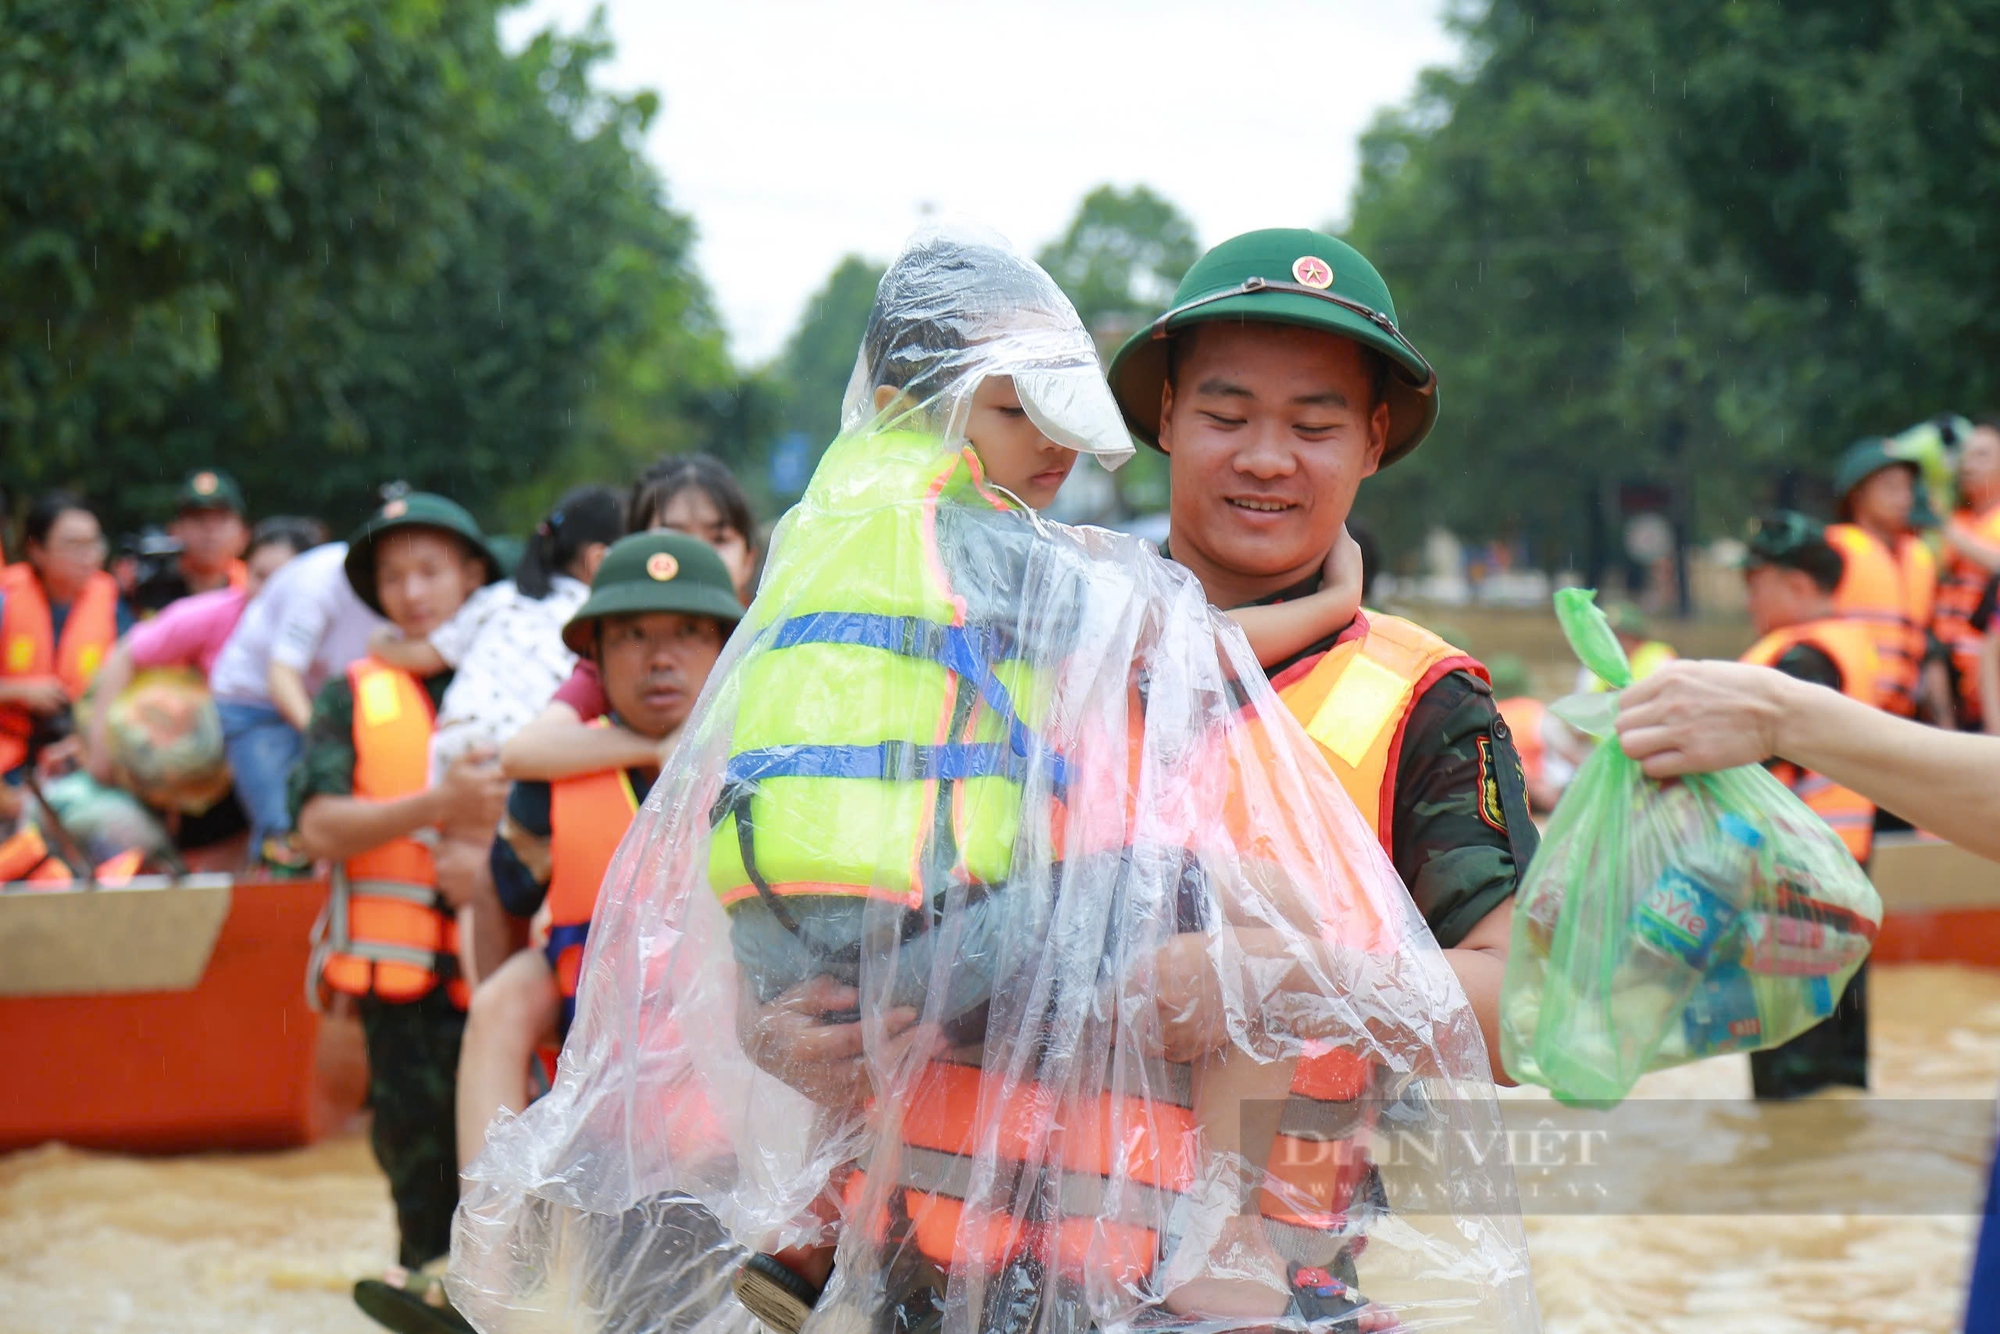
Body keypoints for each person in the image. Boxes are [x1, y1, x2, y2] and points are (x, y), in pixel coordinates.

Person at [739, 227, 1535, 1329]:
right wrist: (773, 1027)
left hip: (1239, 1302)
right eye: (1223, 415)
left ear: (1374, 437)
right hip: (925, 1288)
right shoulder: (1005, 627)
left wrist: (1278, 984)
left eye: (1313, 424)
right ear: (1160, 419)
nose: (1265, 456)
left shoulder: (1422, 707)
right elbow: (832, 876)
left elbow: (1524, 1014)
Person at [1611, 659, 2000, 1334]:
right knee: (1823, 1105)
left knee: (1800, 1102)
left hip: (1796, 924)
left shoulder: (1778, 684)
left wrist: (1779, 715)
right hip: (1836, 919)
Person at [289, 493, 508, 1284]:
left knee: (525, 1176)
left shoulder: (521, 670)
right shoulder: (351, 692)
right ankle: (426, 1285)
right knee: (420, 1178)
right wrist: (435, 809)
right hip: (405, 996)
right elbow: (318, 827)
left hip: (516, 970)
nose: (412, 592)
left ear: (472, 574)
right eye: (393, 576)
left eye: (430, 571)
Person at [367, 485, 624, 941]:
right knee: (502, 888)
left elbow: (423, 654)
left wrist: (378, 643)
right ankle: (499, 989)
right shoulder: (595, 620)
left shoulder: (499, 598)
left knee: (478, 888)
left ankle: (487, 992)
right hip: (522, 756)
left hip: (462, 749)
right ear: (600, 561)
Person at [1733, 510, 1882, 1098]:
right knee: (1834, 1038)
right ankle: (1829, 1165)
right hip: (1840, 867)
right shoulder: (1841, 649)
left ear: (1797, 585)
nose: (1747, 600)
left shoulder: (1803, 662)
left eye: (1755, 582)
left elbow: (1757, 759)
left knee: (1788, 1048)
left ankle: (1792, 1164)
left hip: (1795, 878)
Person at [499, 458, 760, 783]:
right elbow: (522, 752)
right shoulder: (618, 658)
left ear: (749, 559)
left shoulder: (773, 646)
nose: (695, 553)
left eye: (718, 539)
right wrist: (657, 747)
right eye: (672, 534)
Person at [83, 517, 324, 786]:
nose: (269, 591)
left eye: (283, 580)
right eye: (259, 576)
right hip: (212, 765)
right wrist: (100, 752)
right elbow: (126, 652)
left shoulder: (332, 626)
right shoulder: (213, 614)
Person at [209, 535, 388, 871]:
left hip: (328, 703)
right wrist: (330, 742)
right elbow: (282, 679)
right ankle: (276, 915)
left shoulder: (409, 587)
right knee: (284, 827)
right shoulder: (319, 583)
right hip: (256, 704)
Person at [0, 492, 134, 792]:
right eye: (74, 545)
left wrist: (84, 741)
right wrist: (17, 691)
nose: (90, 556)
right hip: (8, 756)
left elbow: (131, 692)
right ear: (36, 549)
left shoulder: (114, 604)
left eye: (94, 543)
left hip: (78, 754)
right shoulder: (5, 599)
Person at [1827, 437, 1938, 721]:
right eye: (1890, 487)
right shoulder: (1833, 549)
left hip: (1903, 713)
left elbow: (1929, 643)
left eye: (1906, 488)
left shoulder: (1919, 556)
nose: (1903, 498)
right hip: (1846, 707)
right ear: (1857, 494)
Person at [1933, 419, 2000, 729]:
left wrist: (1948, 531)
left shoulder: (1951, 527)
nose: (1968, 464)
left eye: (1982, 455)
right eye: (1967, 455)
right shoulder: (1957, 518)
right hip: (1953, 680)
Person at [132, 469, 252, 615]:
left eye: (221, 519)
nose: (210, 529)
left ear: (244, 534)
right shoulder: (146, 591)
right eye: (198, 518)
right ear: (174, 531)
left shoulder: (255, 591)